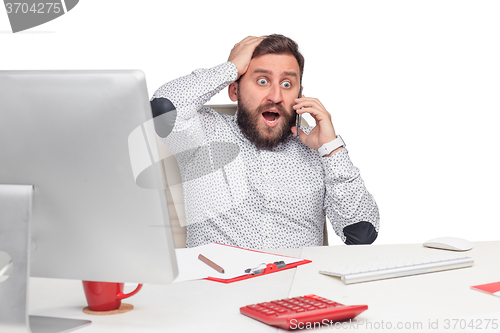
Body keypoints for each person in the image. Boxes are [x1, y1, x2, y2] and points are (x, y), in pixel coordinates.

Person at [151, 34, 379, 249]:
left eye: (287, 84)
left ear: (300, 95)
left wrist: (331, 149)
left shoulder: (318, 147)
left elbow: (362, 233)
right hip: (221, 286)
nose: (276, 96)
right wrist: (229, 69)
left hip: (297, 286)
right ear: (234, 90)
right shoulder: (203, 134)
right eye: (262, 81)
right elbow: (163, 107)